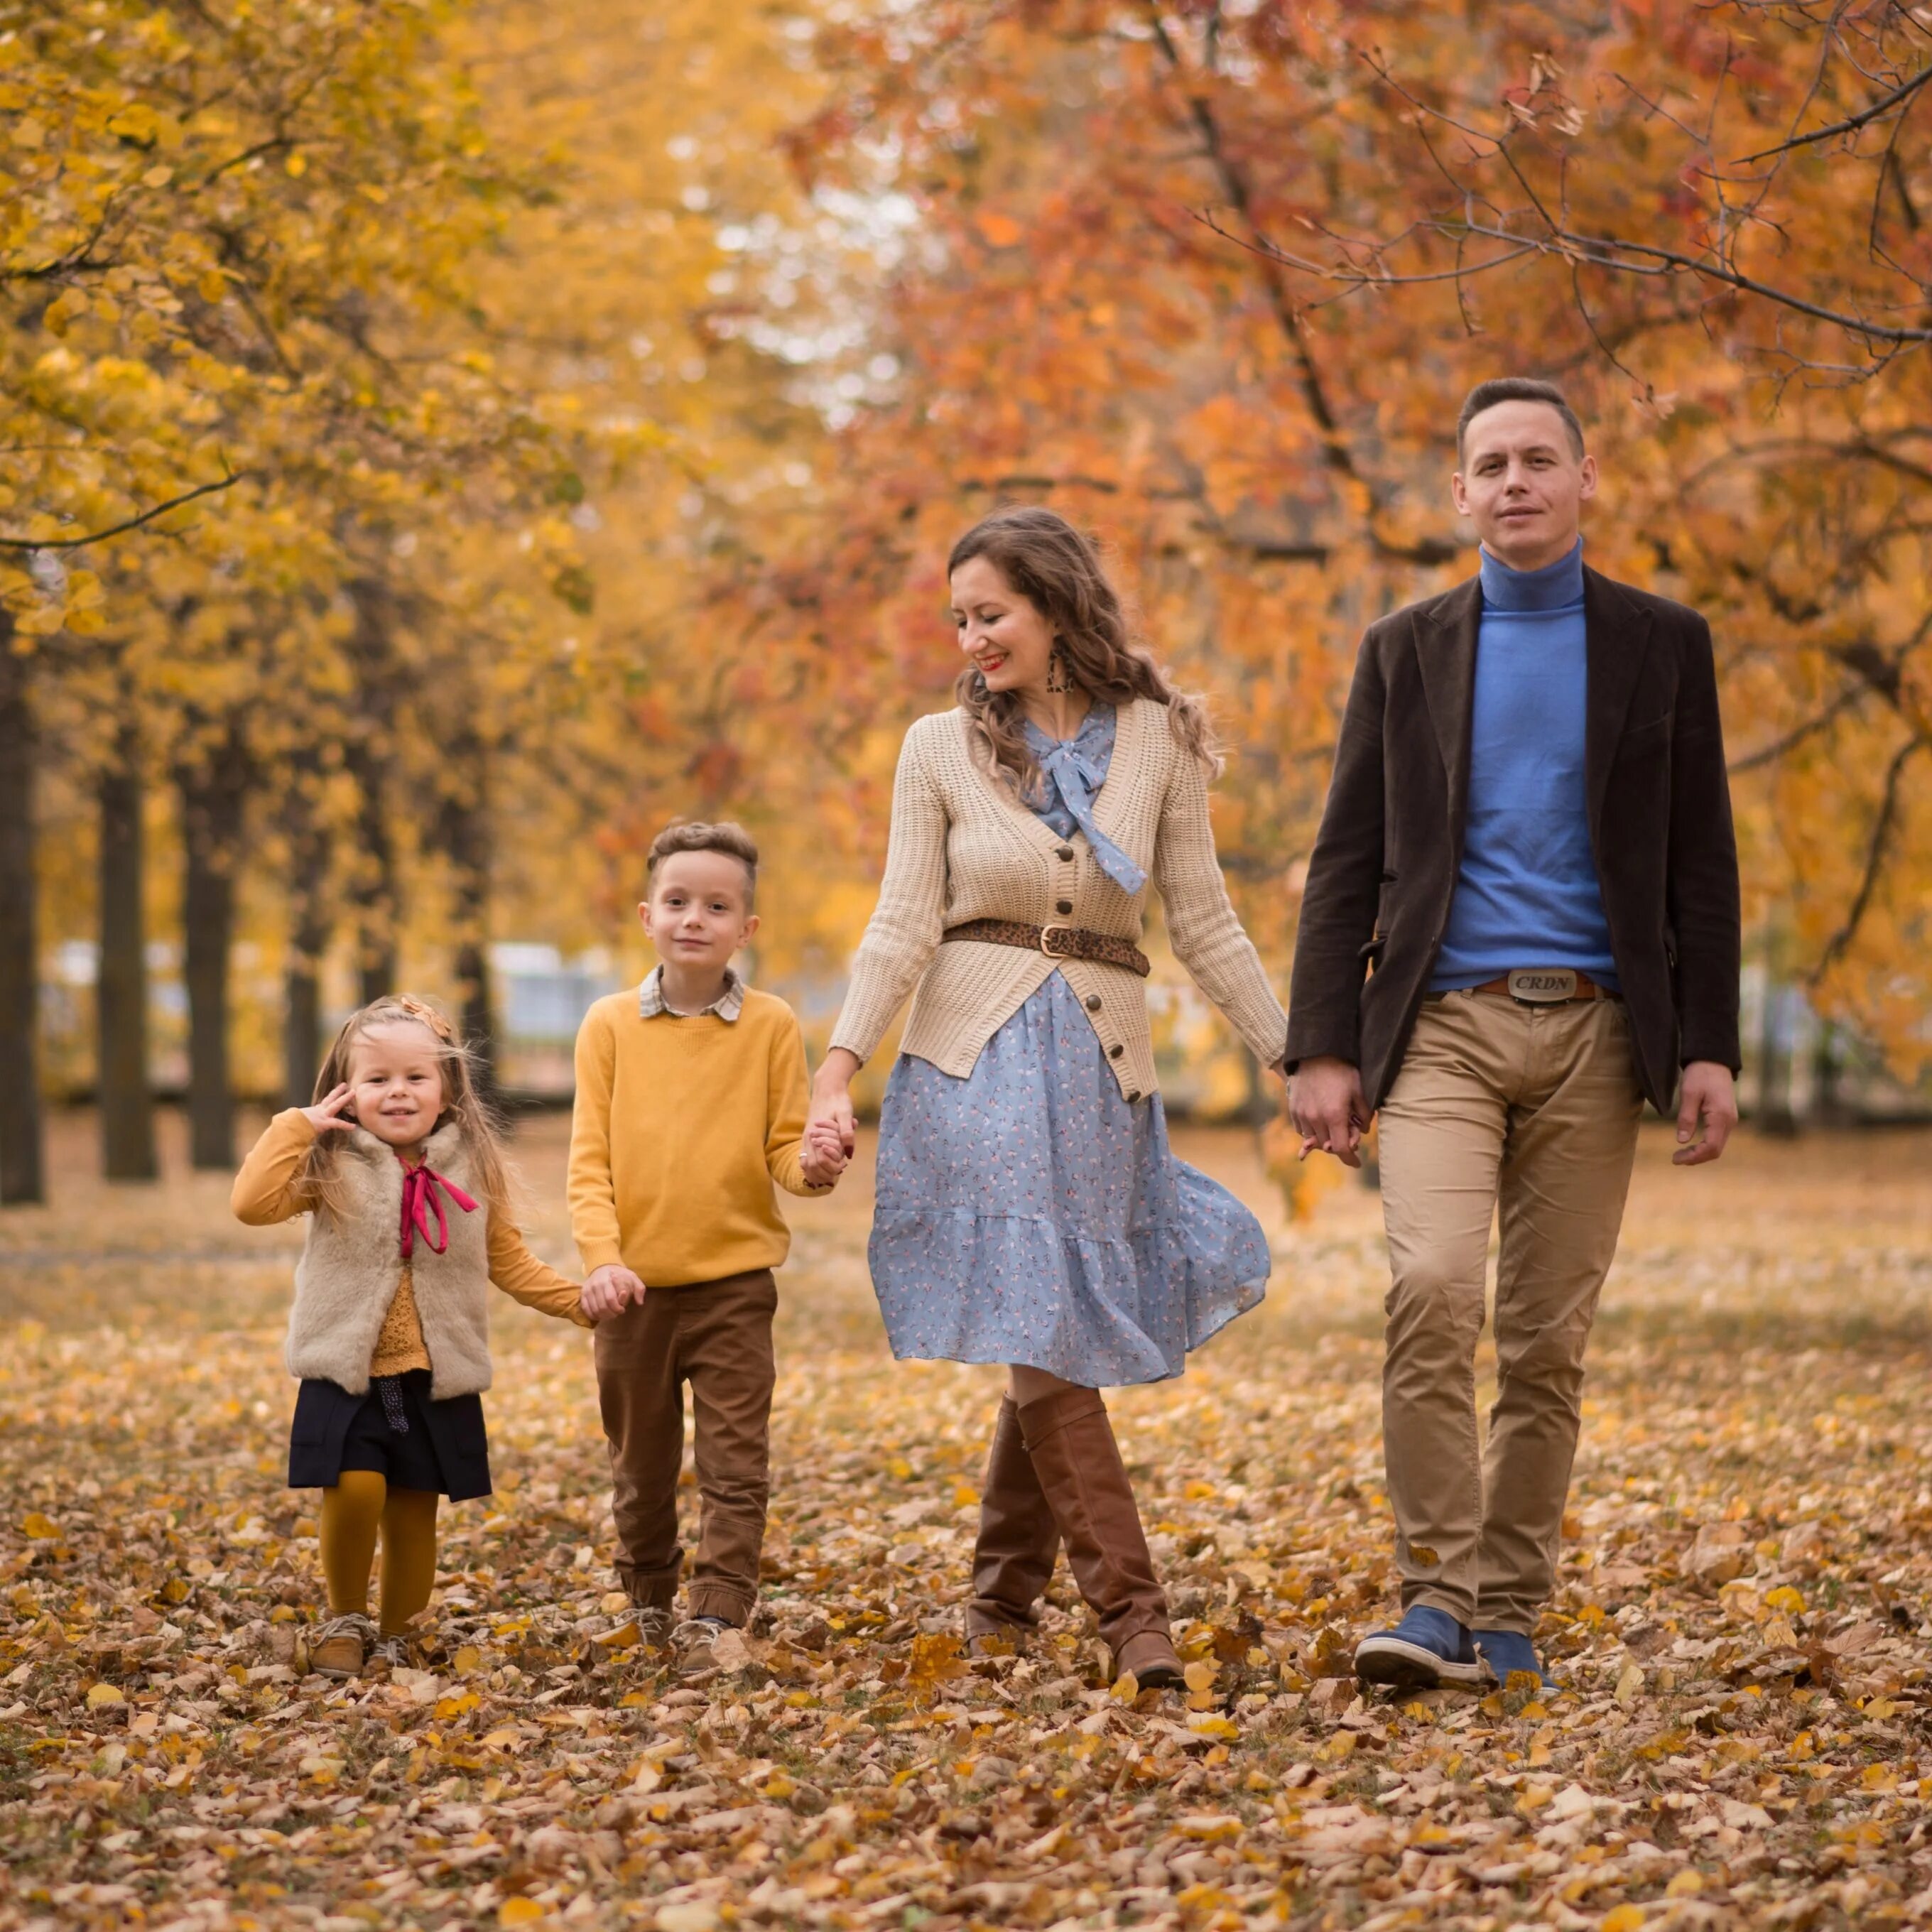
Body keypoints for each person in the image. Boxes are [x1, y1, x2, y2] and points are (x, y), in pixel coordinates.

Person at [1287, 377, 1742, 1691]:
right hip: (1441, 1029)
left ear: (1586, 478)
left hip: (1602, 1035)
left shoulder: (1664, 641)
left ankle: (1508, 1614)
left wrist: (1706, 1042)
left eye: (1541, 459)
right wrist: (1325, 1043)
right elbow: (1347, 857)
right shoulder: (1406, 647)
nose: (1517, 482)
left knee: (1545, 1340)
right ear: (1461, 493)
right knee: (1432, 1289)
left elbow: (1700, 859)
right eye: (1491, 464)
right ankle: (1431, 1601)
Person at [806, 506, 1288, 1690]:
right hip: (972, 1067)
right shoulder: (937, 749)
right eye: (959, 618)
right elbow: (902, 922)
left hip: (1101, 1076)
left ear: (1056, 602)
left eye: (992, 612)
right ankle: (1138, 1623)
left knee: (1048, 1330)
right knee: (1041, 1321)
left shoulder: (1159, 739)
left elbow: (1207, 919)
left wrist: (1293, 1053)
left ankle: (1000, 1607)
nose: (972, 636)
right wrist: (837, 1068)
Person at [234, 995, 591, 1679]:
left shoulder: (473, 1169)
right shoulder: (330, 1162)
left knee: (412, 1509)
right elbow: (251, 1205)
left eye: (415, 1077)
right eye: (376, 1079)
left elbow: (508, 1261)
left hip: (436, 1371)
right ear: (348, 1090)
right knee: (356, 1485)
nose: (397, 1092)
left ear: (449, 1088)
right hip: (346, 1368)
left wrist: (579, 1304)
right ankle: (345, 1617)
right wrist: (295, 1127)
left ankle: (400, 1634)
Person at [570, 820, 844, 1666]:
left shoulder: (769, 1026)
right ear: (648, 915)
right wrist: (601, 1258)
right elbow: (589, 1163)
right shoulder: (608, 1025)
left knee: (735, 1461)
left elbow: (782, 1152)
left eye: (716, 905)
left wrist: (816, 1164)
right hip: (634, 1293)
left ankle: (718, 1611)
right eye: (679, 901)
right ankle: (649, 1593)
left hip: (734, 1287)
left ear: (745, 928)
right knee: (641, 1467)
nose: (695, 917)